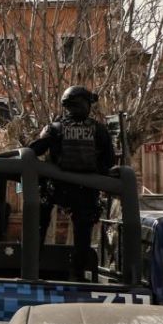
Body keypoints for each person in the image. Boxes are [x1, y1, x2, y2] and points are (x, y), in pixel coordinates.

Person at [28, 85, 116, 281]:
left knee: (39, 222)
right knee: (83, 236)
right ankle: (76, 274)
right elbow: (109, 161)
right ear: (85, 104)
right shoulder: (99, 130)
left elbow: (33, 150)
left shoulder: (54, 128)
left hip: (56, 190)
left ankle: (31, 268)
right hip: (85, 191)